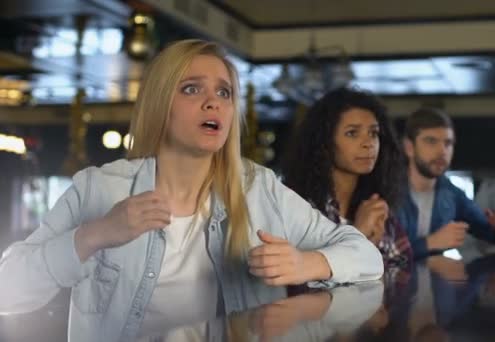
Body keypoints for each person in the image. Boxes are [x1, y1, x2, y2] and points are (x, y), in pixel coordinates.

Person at [0, 40, 383, 342]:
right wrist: (94, 236)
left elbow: (368, 257)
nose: (212, 101)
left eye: (224, 92)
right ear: (160, 105)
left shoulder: (258, 187)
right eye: (191, 88)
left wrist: (305, 264)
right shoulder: (98, 188)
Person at [283, 87, 412, 267]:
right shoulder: (300, 208)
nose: (368, 143)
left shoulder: (375, 205)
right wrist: (358, 236)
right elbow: (298, 280)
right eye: (352, 133)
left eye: (373, 133)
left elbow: (404, 270)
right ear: (325, 142)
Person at [396, 107, 495, 259]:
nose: (442, 151)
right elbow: (379, 256)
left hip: (435, 281)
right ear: (409, 148)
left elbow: (487, 232)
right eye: (431, 141)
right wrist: (429, 243)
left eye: (448, 143)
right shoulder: (387, 192)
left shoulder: (451, 193)